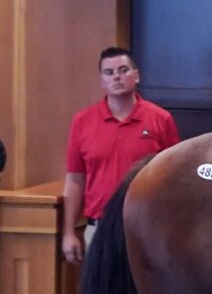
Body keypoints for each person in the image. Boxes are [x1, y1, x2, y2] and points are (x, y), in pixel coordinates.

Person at [62, 47, 180, 263]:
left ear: (136, 76)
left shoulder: (161, 119)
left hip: (146, 228)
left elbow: (174, 178)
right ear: (102, 81)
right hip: (100, 227)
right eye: (109, 72)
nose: (116, 76)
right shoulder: (83, 122)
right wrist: (68, 231)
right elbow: (75, 179)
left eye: (123, 70)